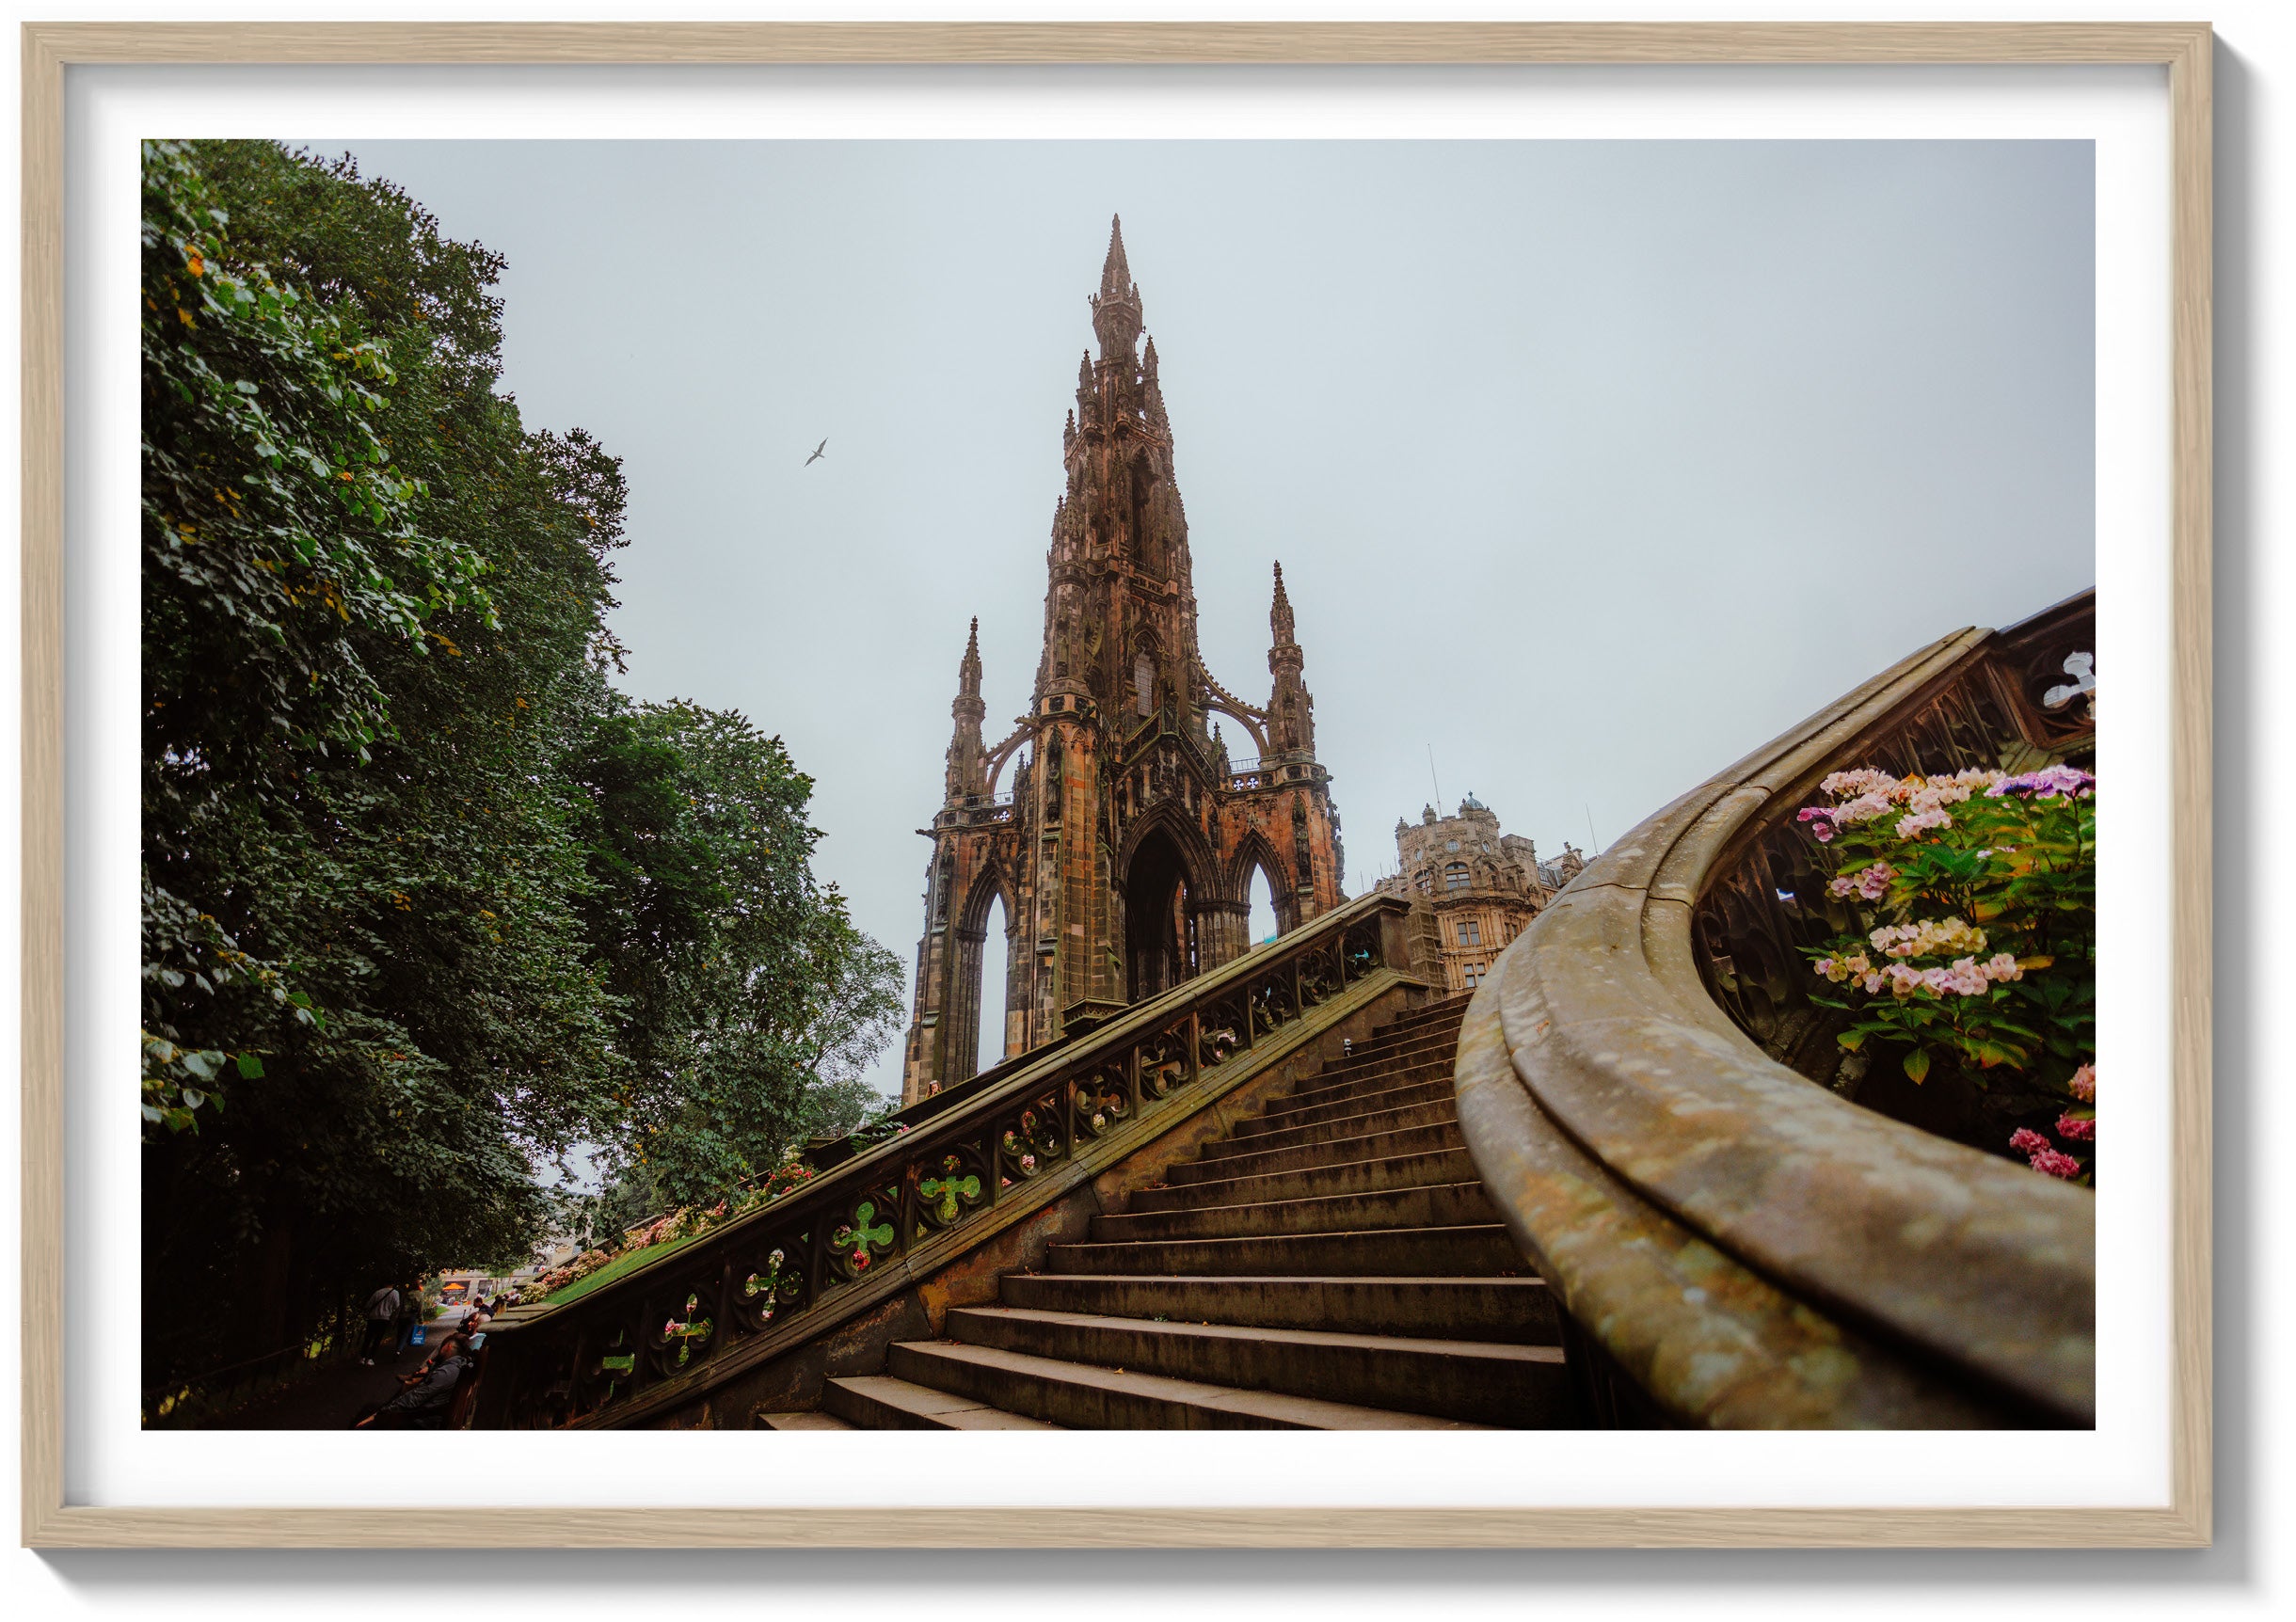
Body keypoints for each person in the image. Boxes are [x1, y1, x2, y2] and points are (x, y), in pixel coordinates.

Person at [355, 1333, 470, 1430]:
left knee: (364, 1420)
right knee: (369, 1408)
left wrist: (379, 1414)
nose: (440, 1350)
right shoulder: (456, 1365)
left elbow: (414, 1399)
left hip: (420, 1420)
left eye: (442, 1346)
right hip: (425, 1415)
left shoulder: (446, 1372)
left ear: (448, 1347)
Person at [357, 1282, 401, 1365]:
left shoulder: (378, 1292)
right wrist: (393, 1318)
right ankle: (370, 1358)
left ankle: (362, 1357)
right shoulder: (395, 1293)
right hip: (385, 1318)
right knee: (377, 1339)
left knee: (368, 1338)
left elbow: (369, 1305)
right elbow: (397, 1307)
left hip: (373, 1317)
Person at [392, 1284, 424, 1358]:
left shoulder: (405, 1294)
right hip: (411, 1316)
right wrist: (421, 1319)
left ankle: (397, 1348)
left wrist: (396, 1317)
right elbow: (420, 1307)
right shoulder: (419, 1294)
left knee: (400, 1333)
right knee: (406, 1333)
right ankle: (398, 1350)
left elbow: (400, 1306)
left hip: (402, 1316)